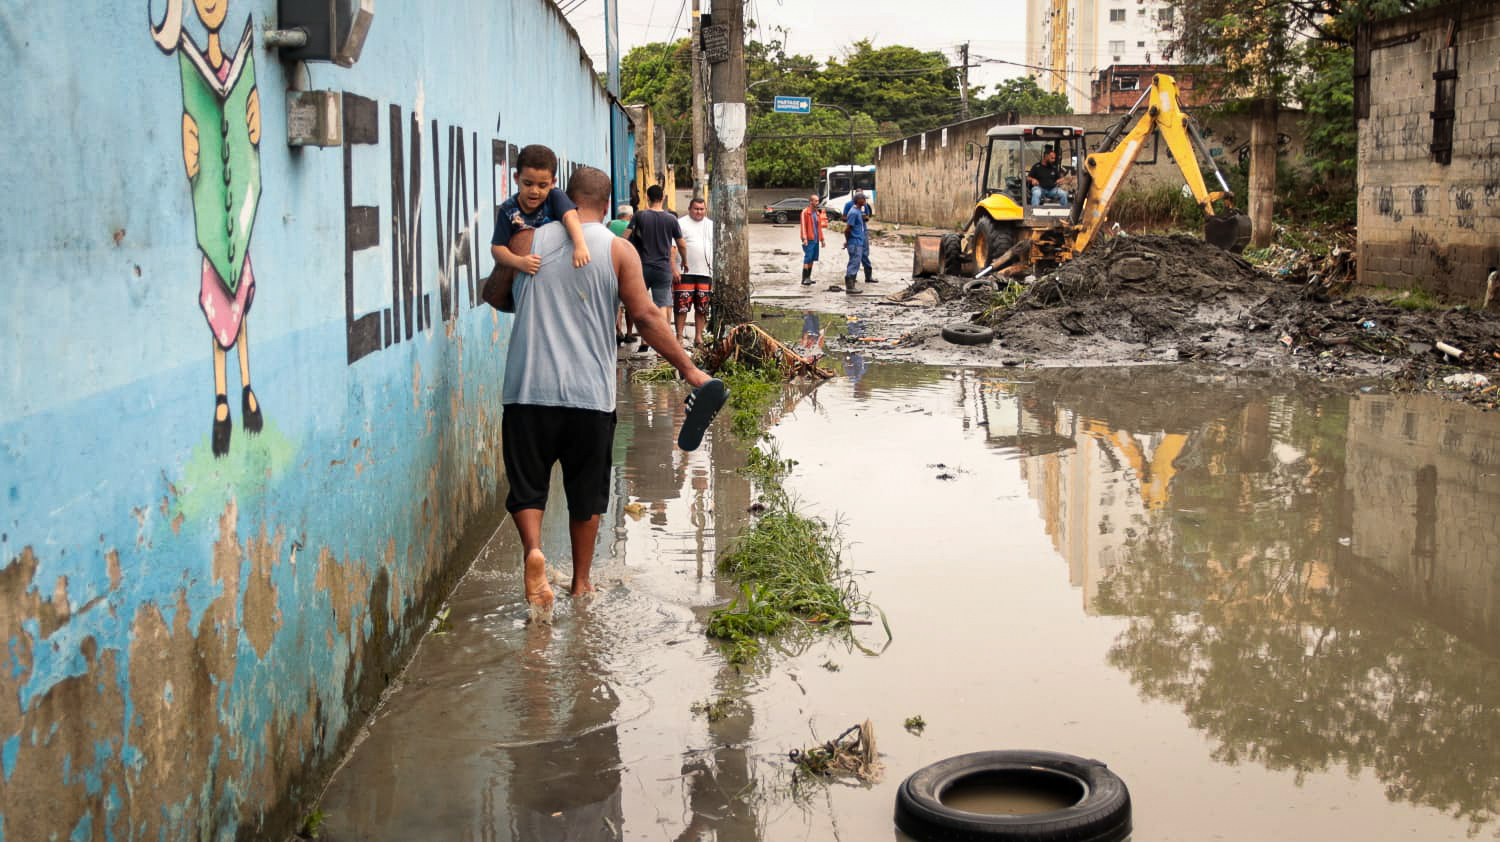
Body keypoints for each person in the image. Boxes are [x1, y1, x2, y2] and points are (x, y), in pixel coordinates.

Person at [487, 166, 727, 617]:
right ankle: (581, 584)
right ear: (607, 200)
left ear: (561, 198)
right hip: (589, 397)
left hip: (525, 391)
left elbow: (496, 297)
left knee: (528, 489)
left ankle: (534, 553)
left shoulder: (524, 242)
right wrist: (691, 372)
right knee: (587, 495)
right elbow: (650, 318)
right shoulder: (619, 250)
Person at [490, 144, 592, 277]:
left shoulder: (555, 196)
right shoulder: (508, 210)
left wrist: (580, 245)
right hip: (525, 277)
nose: (534, 191)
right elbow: (497, 248)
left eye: (542, 185)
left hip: (555, 274)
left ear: (553, 182)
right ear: (516, 178)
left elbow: (571, 217)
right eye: (528, 183)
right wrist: (519, 262)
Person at [624, 184, 687, 342]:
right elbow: (681, 244)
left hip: (642, 267)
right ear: (663, 197)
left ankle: (645, 340)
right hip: (663, 269)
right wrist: (685, 261)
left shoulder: (640, 215)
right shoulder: (671, 219)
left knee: (642, 303)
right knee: (662, 304)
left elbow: (625, 237)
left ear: (647, 197)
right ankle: (664, 342)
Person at [675, 197, 713, 346]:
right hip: (684, 272)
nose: (699, 212)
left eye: (702, 209)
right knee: (681, 306)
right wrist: (674, 269)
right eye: (696, 209)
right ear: (690, 209)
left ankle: (698, 336)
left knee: (702, 307)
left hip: (705, 272)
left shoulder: (710, 225)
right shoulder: (680, 224)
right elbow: (673, 247)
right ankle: (679, 336)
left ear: (705, 210)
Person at [608, 203, 635, 344]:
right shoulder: (632, 226)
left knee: (616, 301)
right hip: (627, 265)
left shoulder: (610, 224)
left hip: (611, 264)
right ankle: (629, 332)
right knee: (629, 301)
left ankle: (617, 330)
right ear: (630, 215)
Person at [842, 192, 874, 292]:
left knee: (855, 263)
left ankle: (851, 285)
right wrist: (847, 242)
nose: (865, 201)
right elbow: (847, 229)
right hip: (854, 242)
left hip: (858, 241)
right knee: (854, 263)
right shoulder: (853, 212)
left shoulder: (858, 211)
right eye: (864, 199)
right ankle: (850, 287)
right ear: (859, 201)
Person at [799, 194, 825, 286]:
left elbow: (819, 228)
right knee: (808, 258)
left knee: (813, 258)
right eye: (816, 201)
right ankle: (804, 278)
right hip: (809, 239)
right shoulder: (805, 212)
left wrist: (822, 239)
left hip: (816, 239)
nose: (818, 202)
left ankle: (808, 277)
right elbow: (803, 226)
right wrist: (804, 238)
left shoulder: (817, 213)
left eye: (818, 201)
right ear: (811, 201)